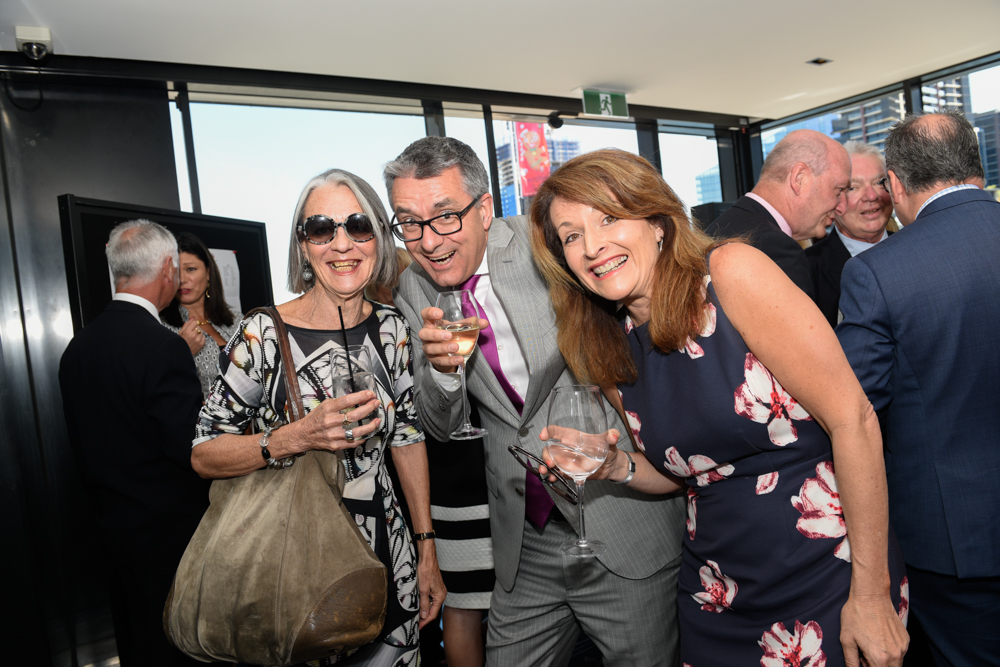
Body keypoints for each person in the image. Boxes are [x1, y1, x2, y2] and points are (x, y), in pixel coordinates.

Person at [529, 148, 909, 666]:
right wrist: (616, 466)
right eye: (571, 236)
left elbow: (854, 420)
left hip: (827, 571)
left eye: (609, 218)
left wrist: (871, 592)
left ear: (658, 223)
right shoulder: (609, 344)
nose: (593, 246)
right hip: (716, 591)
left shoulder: (731, 273)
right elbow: (686, 470)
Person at [389, 137, 685, 667]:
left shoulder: (547, 243)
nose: (428, 241)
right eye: (409, 222)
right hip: (526, 537)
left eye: (446, 216)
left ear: (483, 209)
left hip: (619, 516)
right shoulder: (413, 289)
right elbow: (440, 425)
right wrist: (442, 371)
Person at [191, 169, 446, 667]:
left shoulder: (393, 327)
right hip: (298, 557)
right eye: (321, 229)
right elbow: (203, 454)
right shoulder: (263, 334)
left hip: (390, 553)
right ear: (303, 246)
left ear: (378, 238)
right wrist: (296, 436)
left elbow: (407, 436)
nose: (342, 244)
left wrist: (426, 547)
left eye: (358, 225)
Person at [837, 111, 1000, 666]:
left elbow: (857, 407)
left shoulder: (878, 272)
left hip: (957, 542)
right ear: (977, 167)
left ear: (896, 184)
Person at [59, 220, 210, 667]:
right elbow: (191, 450)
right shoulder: (163, 347)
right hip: (172, 544)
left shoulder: (77, 349)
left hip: (112, 538)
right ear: (167, 269)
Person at [370, 247, 495, 667]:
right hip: (453, 471)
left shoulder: (390, 328)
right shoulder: (409, 327)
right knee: (468, 606)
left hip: (455, 472)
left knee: (465, 606)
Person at [704, 129, 851, 299]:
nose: (842, 208)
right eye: (839, 190)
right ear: (799, 178)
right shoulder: (775, 248)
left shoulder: (719, 228)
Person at [805, 141, 894, 327]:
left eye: (879, 182)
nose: (871, 196)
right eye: (853, 187)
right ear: (832, 199)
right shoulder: (806, 269)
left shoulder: (917, 249)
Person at [161, 232, 242, 399]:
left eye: (190, 269)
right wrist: (181, 352)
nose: (182, 279)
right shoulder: (161, 329)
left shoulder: (238, 321)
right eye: (176, 271)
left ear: (208, 272)